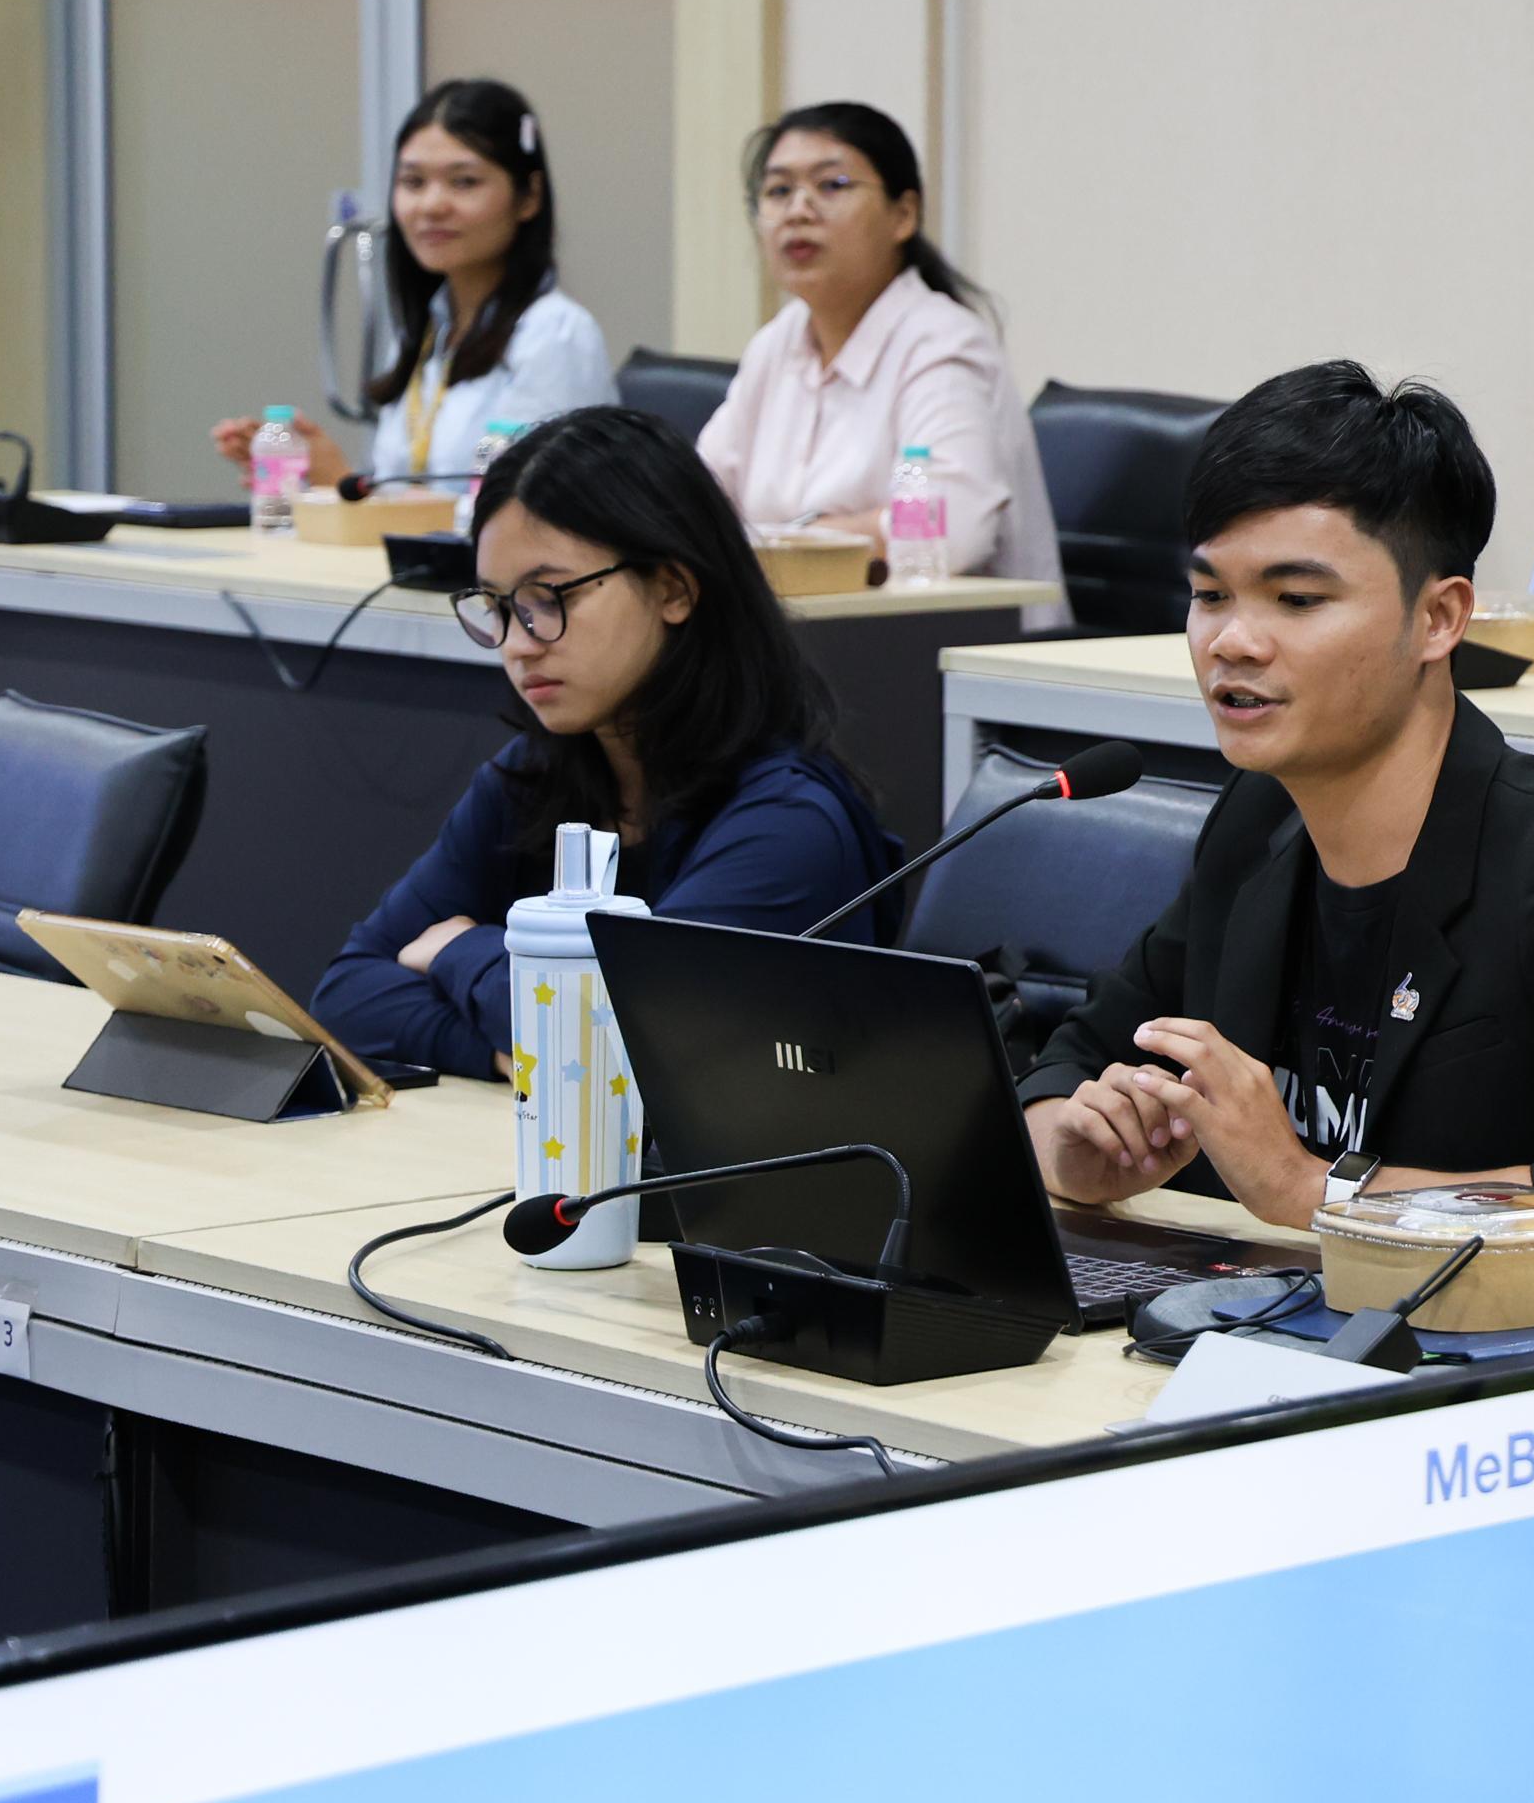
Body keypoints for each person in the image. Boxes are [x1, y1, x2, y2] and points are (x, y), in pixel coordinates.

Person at [1016, 362, 1534, 1242]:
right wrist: (1074, 1156)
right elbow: (1067, 1065)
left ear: (1438, 620)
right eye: (1209, 595)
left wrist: (1319, 1192)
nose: (1232, 641)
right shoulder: (1256, 822)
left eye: (1296, 599)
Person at [313, 406, 901, 1083]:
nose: (518, 642)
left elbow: (628, 1041)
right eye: (498, 606)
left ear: (673, 589)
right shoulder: (529, 778)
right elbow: (345, 995)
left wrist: (459, 953)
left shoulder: (787, 826)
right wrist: (508, 1050)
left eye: (548, 597)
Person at [696, 102, 1065, 607]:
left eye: (832, 185)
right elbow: (697, 505)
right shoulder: (776, 344)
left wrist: (789, 542)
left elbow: (949, 531)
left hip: (947, 640)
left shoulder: (941, 342)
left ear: (903, 215)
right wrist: (859, 529)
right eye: (779, 190)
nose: (798, 210)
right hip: (806, 629)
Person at [212, 79, 614, 491]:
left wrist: (341, 480)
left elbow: (529, 513)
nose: (432, 205)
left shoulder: (556, 335)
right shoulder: (428, 332)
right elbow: (408, 500)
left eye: (464, 182)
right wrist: (323, 478)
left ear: (529, 196)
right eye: (413, 182)